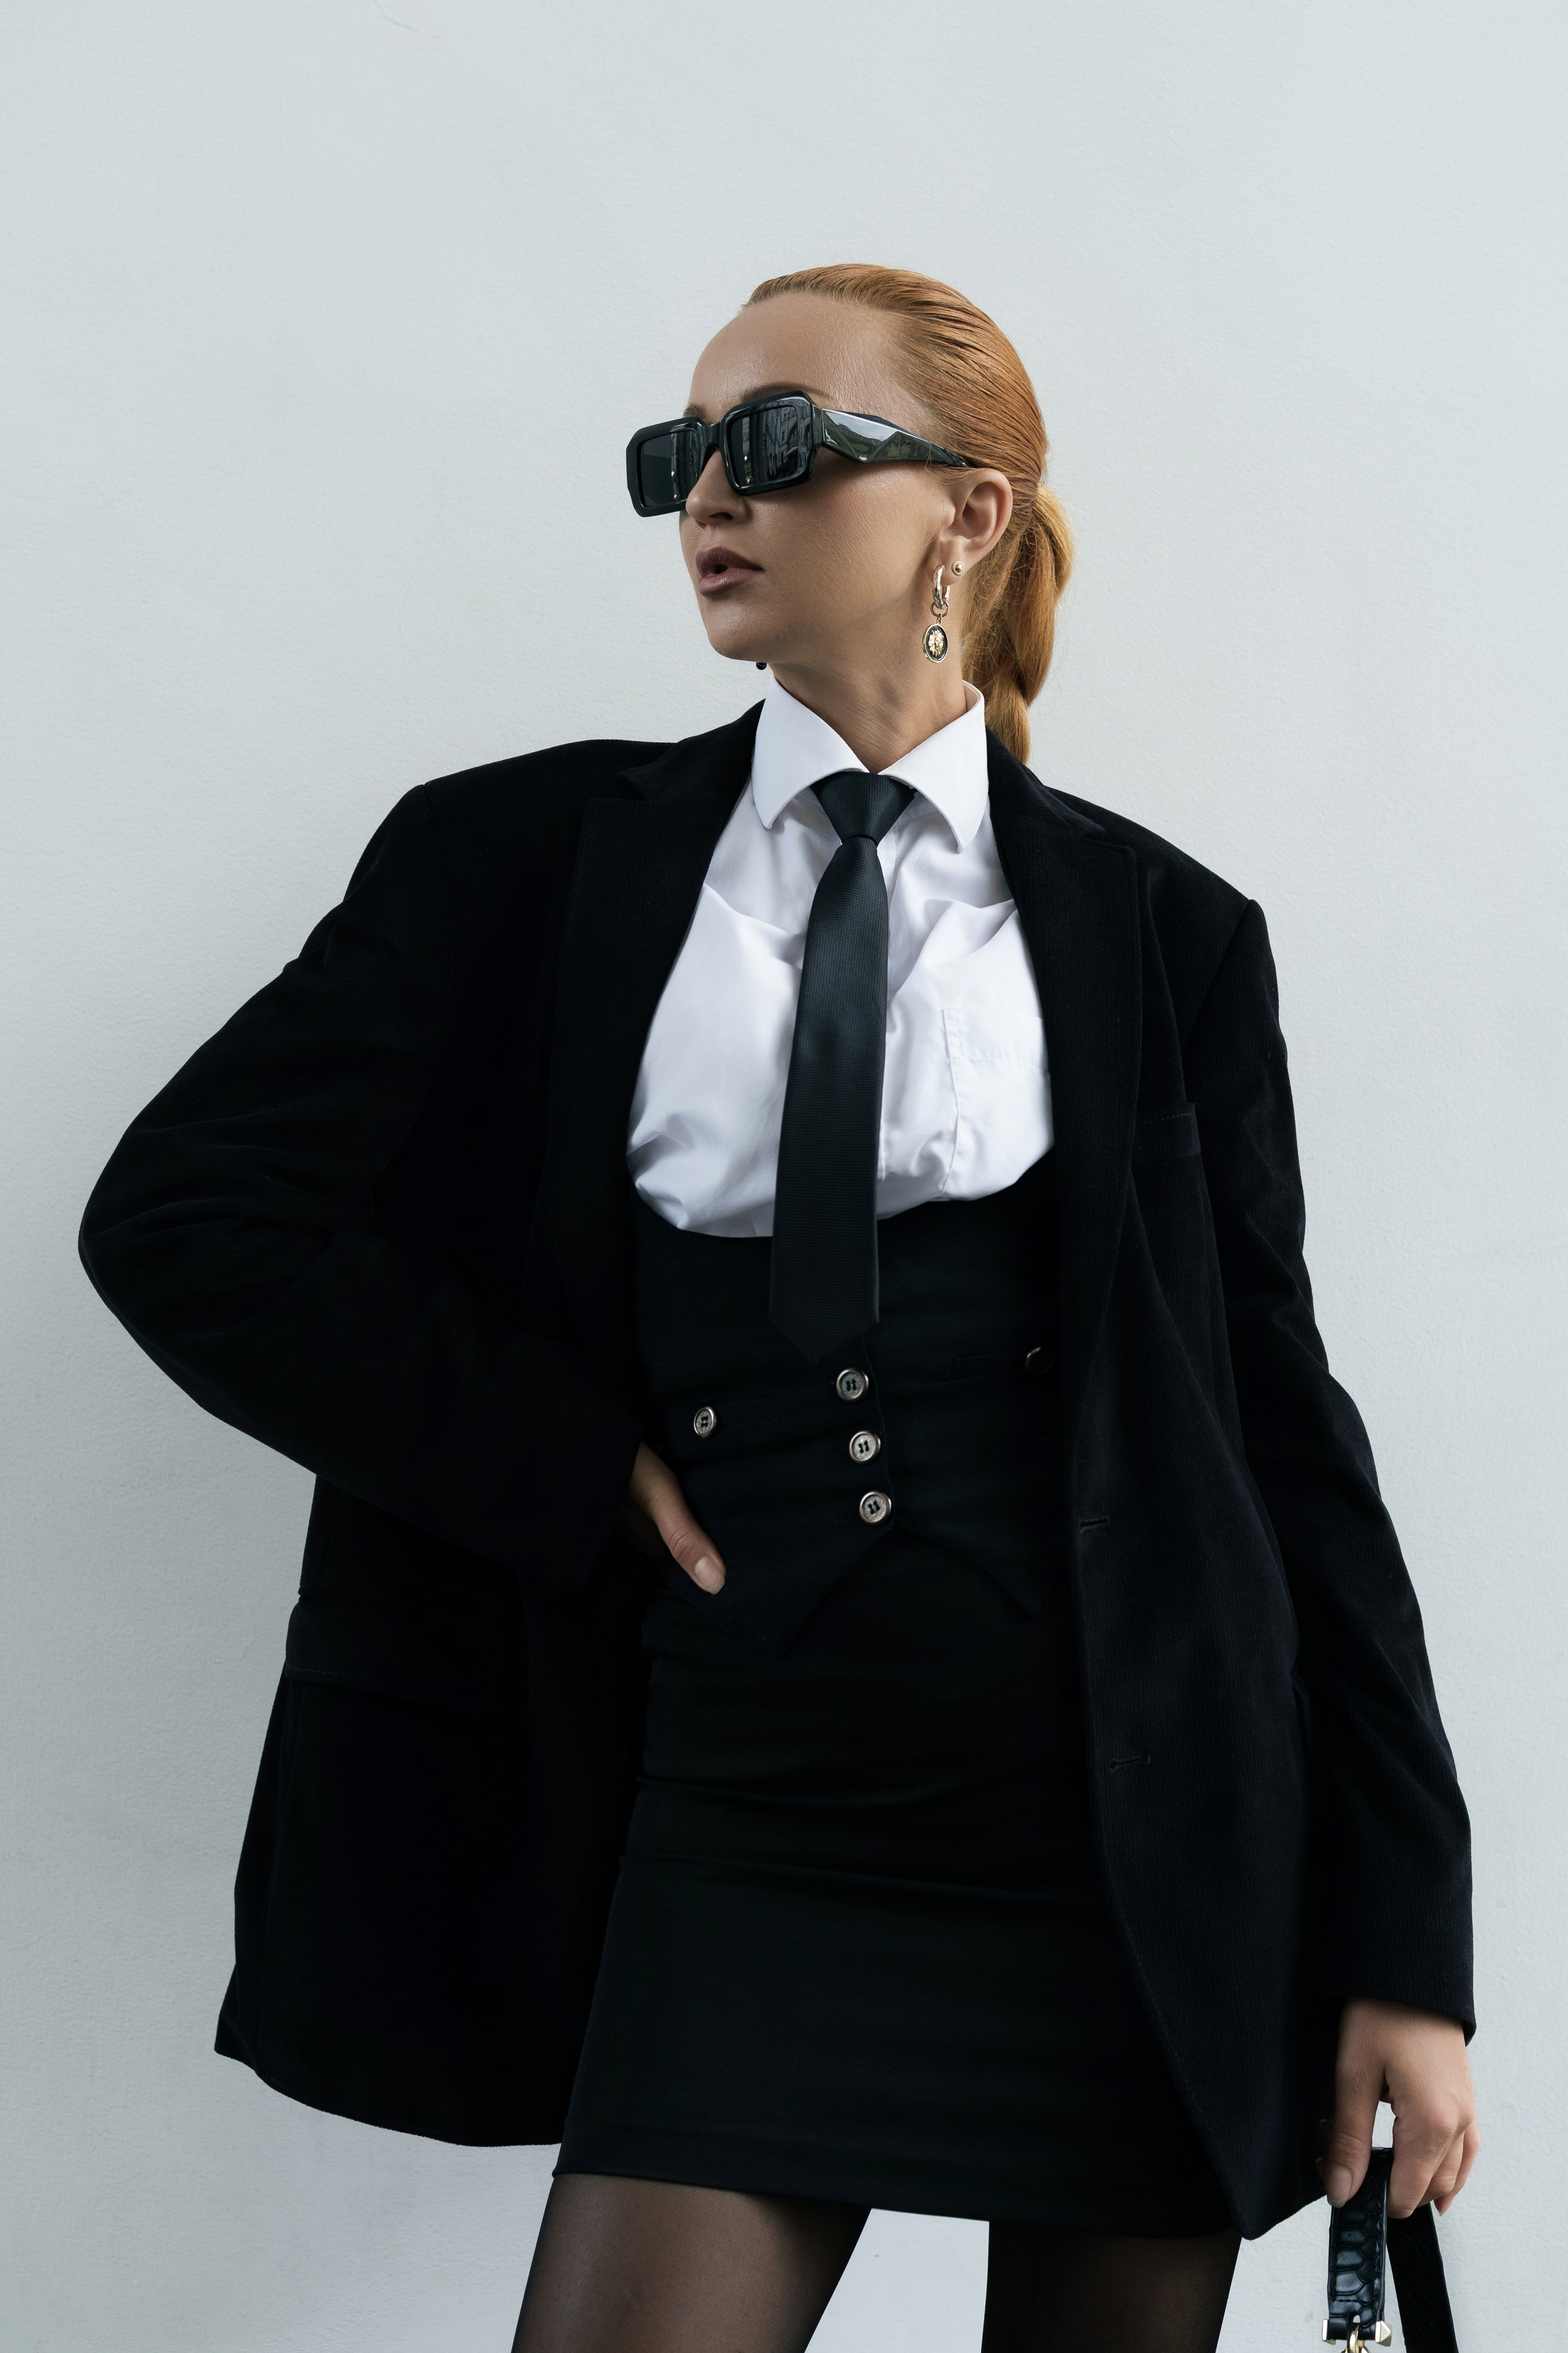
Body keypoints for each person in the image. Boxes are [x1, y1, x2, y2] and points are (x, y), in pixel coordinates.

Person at [79, 264, 1478, 2353]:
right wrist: (561, 1458)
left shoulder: (1165, 935)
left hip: (1137, 1836)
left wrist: (1407, 1946)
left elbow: (1282, 1445)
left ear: (969, 515)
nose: (712, 495)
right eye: (684, 454)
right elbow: (189, 1213)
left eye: (781, 444)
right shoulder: (514, 861)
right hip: (736, 1810)